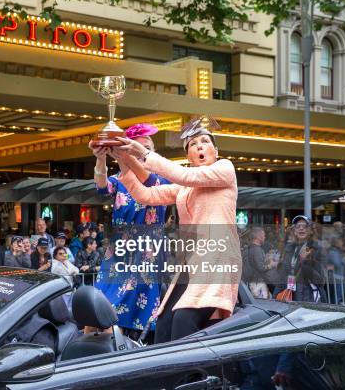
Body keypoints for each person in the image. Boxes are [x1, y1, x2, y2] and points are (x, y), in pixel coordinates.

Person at [115, 116, 241, 343]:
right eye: (193, 144)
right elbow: (147, 195)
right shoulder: (185, 187)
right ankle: (164, 376)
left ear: (216, 150)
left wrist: (144, 154)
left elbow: (184, 175)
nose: (200, 146)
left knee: (184, 320)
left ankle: (188, 376)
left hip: (217, 258)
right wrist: (123, 160)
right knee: (163, 321)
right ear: (188, 156)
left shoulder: (225, 168)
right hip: (192, 263)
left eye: (205, 141)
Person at [91, 123, 170, 337]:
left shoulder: (161, 178)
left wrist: (125, 157)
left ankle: (135, 346)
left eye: (146, 148)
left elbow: (149, 182)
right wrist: (101, 157)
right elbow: (101, 187)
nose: (141, 151)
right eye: (135, 146)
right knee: (102, 301)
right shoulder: (119, 179)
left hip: (147, 247)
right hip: (119, 247)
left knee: (138, 303)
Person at [275, 215, 326, 303]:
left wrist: (304, 262)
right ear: (294, 231)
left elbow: (320, 280)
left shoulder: (316, 249)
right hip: (290, 295)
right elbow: (283, 275)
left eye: (305, 226)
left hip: (309, 298)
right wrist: (275, 296)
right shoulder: (289, 249)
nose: (301, 229)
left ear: (310, 231)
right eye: (298, 226)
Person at [243, 227, 278, 299]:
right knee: (262, 304)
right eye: (264, 235)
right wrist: (271, 265)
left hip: (252, 283)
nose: (265, 237)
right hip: (257, 284)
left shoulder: (249, 248)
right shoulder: (256, 250)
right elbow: (260, 268)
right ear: (259, 237)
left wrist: (266, 259)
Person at [326, 236, 345, 304]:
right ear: (336, 243)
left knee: (337, 295)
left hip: (338, 276)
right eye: (340, 242)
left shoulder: (337, 252)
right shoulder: (333, 252)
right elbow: (337, 264)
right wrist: (344, 258)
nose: (342, 243)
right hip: (336, 277)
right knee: (337, 296)